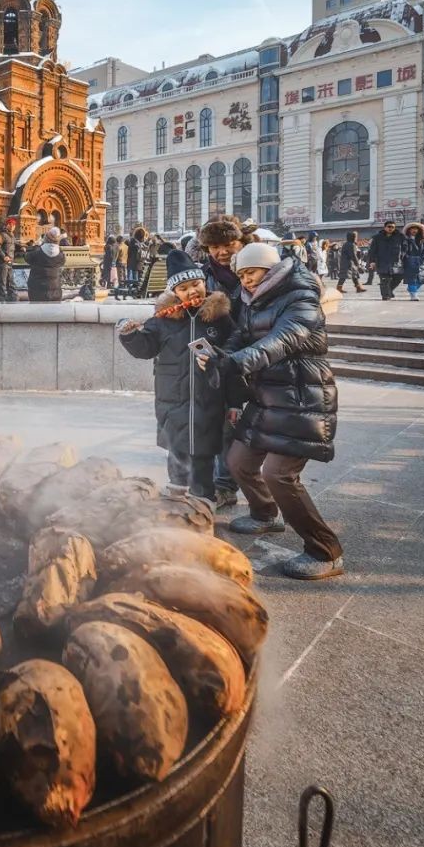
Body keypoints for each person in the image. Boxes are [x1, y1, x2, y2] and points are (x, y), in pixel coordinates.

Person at [199, 241, 342, 581]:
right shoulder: (252, 299)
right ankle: (265, 514)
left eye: (250, 273)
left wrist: (234, 363)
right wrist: (220, 354)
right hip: (267, 396)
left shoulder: (301, 297)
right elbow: (243, 336)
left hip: (303, 397)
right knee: (238, 461)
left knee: (279, 474)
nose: (245, 281)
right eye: (242, 275)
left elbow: (281, 341)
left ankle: (326, 551)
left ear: (269, 268)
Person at [117, 250, 234, 502]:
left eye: (196, 284)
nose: (192, 291)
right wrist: (129, 335)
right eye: (183, 288)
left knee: (203, 455)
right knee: (177, 450)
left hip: (209, 400)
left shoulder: (220, 318)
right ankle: (177, 501)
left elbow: (235, 347)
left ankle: (204, 503)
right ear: (174, 293)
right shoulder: (163, 321)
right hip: (172, 400)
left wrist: (220, 358)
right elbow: (145, 348)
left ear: (205, 283)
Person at [197, 218, 245, 510]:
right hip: (217, 356)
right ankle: (224, 485)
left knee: (239, 421)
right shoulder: (203, 276)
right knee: (223, 422)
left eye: (228, 244)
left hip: (249, 354)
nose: (222, 252)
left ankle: (237, 478)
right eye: (214, 247)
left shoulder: (253, 271)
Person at [368, 220, 409, 300]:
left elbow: (405, 247)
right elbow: (372, 250)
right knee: (384, 280)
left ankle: (389, 291)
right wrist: (372, 261)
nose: (391, 228)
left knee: (398, 278)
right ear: (385, 227)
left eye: (393, 227)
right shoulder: (377, 237)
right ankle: (385, 295)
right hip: (382, 261)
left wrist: (401, 255)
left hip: (396, 262)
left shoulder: (400, 236)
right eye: (389, 227)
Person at [26, 224, 65, 302]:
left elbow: (27, 258)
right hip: (55, 291)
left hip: (36, 291)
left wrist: (35, 247)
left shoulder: (37, 252)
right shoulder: (60, 255)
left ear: (45, 239)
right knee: (53, 313)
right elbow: (63, 261)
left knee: (37, 313)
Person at [402, 222, 424, 302]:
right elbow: (403, 250)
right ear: (408, 230)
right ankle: (413, 295)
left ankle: (411, 288)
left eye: (416, 229)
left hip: (421, 262)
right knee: (411, 279)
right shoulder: (405, 240)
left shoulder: (423, 240)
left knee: (421, 280)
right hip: (409, 262)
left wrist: (423, 258)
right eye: (412, 229)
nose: (414, 230)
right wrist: (406, 258)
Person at [0, 216, 19, 303]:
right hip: (3, 262)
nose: (12, 226)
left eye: (14, 225)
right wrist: (3, 256)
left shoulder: (12, 236)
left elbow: (16, 245)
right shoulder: (2, 235)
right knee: (2, 281)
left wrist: (26, 245)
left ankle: (13, 297)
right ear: (7, 225)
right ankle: (0, 298)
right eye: (11, 224)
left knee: (11, 280)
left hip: (10, 262)